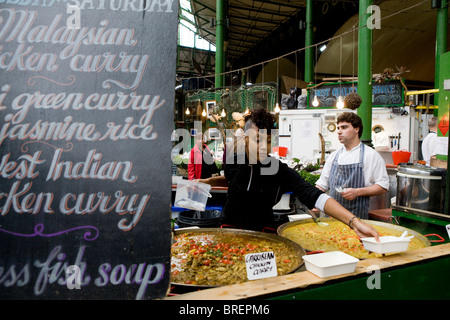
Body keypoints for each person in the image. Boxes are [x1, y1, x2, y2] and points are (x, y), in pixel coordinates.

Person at [199, 108, 379, 240]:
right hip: (229, 228)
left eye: (268, 141)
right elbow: (234, 181)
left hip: (263, 234)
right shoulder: (232, 161)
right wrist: (207, 181)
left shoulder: (277, 169)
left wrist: (354, 222)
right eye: (258, 140)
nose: (263, 147)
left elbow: (312, 194)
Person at [315, 112, 389, 219]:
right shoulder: (334, 156)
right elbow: (322, 185)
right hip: (332, 217)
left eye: (344, 127)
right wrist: (314, 200)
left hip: (358, 217)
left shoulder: (371, 155)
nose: (339, 132)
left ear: (356, 129)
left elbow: (383, 186)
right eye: (338, 128)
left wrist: (357, 192)